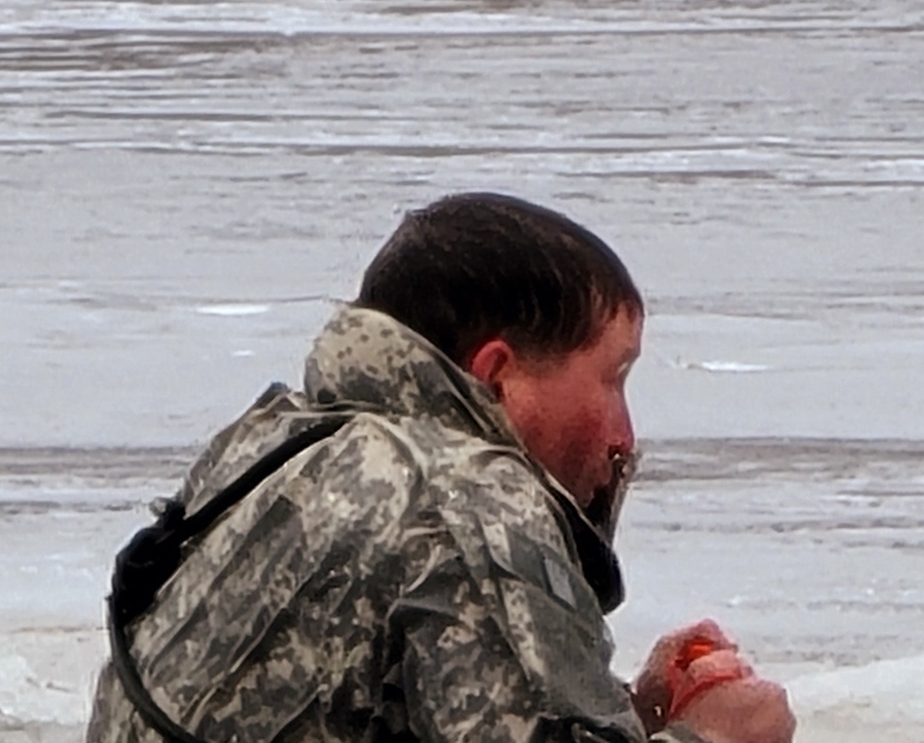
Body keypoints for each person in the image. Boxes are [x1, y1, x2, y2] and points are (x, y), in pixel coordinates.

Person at [87, 192, 795, 743]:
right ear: (496, 378)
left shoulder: (266, 448)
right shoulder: (467, 498)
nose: (624, 435)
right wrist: (718, 733)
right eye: (614, 378)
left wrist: (629, 716)